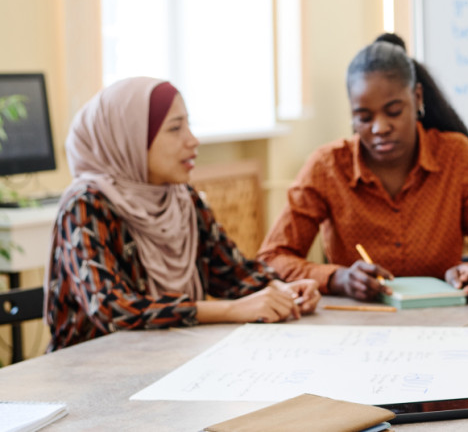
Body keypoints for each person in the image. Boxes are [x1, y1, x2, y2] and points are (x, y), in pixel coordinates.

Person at [46, 77, 321, 351]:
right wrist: (230, 311)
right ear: (130, 138)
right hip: (91, 370)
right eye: (175, 128)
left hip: (171, 358)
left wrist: (283, 289)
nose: (192, 140)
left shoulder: (182, 197)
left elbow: (233, 273)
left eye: (188, 125)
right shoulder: (86, 205)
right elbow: (113, 309)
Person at [258, 33, 468, 303]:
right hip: (358, 323)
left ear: (417, 99)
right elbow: (272, 259)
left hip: (445, 316)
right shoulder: (327, 166)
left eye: (393, 111)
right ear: (352, 115)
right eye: (364, 117)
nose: (380, 128)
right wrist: (338, 278)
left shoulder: (457, 156)